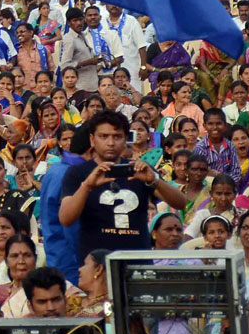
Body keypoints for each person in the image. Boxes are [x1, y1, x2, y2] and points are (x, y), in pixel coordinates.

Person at [58, 110, 187, 259]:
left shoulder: (140, 169)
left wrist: (154, 181)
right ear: (92, 140)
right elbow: (65, 218)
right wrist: (87, 186)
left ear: (126, 139)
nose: (111, 143)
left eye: (117, 137)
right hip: (97, 264)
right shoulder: (78, 173)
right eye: (104, 137)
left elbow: (180, 202)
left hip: (137, 262)